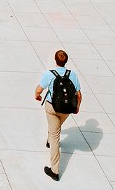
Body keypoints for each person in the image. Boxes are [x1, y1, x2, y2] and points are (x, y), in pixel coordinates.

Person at [35, 49, 82, 182]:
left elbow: (39, 90)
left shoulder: (48, 74)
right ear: (66, 61)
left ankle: (54, 171)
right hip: (67, 109)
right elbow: (79, 94)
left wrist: (37, 96)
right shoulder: (72, 74)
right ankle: (50, 139)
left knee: (55, 134)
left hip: (52, 107)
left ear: (55, 60)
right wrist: (77, 107)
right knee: (56, 126)